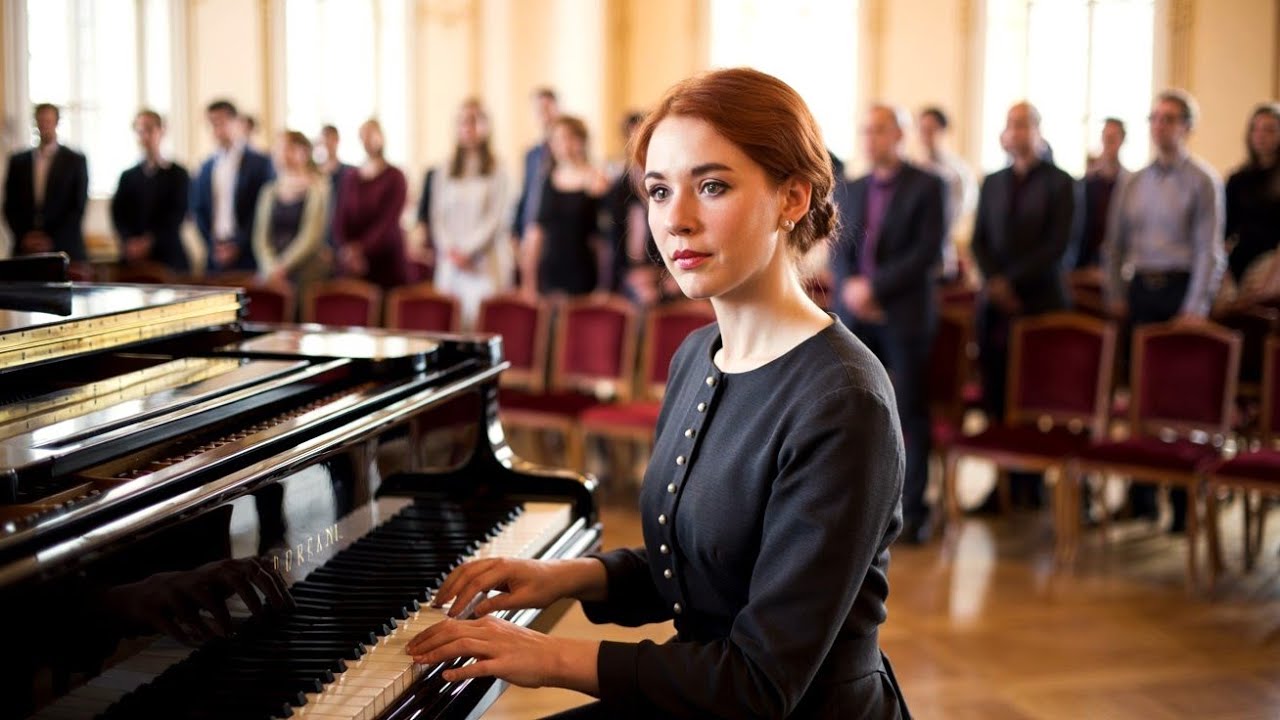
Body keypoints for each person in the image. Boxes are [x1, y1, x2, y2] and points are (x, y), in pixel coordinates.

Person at [405, 67, 909, 719]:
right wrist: (560, 576)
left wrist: (549, 656)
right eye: (659, 191)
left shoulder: (844, 401)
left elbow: (759, 682)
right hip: (699, 687)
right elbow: (704, 561)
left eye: (713, 186)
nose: (677, 221)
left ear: (792, 199)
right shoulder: (697, 356)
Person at [1103, 89, 1225, 532]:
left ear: (1187, 127)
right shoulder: (1132, 182)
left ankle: (1181, 504)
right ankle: (1140, 498)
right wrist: (1116, 293)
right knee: (1140, 395)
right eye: (1155, 118)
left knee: (1180, 401)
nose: (1161, 126)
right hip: (1141, 293)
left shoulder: (1203, 180)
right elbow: (1114, 246)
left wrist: (1196, 307)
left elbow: (1208, 249)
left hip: (1180, 291)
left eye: (1170, 119)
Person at [834, 104, 946, 545]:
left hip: (904, 315)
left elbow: (926, 253)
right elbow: (839, 248)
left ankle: (914, 510)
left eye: (880, 130)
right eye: (865, 131)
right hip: (857, 315)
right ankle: (859, 508)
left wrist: (875, 289)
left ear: (899, 135)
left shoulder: (928, 186)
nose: (871, 139)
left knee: (910, 412)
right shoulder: (852, 187)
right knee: (855, 413)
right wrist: (851, 290)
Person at [971, 101, 1078, 509]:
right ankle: (1001, 487)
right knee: (996, 393)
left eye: (1022, 125)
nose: (1015, 132)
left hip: (1040, 303)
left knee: (1035, 395)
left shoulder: (1061, 183)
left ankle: (1032, 485)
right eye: (1009, 125)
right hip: (997, 307)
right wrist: (995, 283)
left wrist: (1011, 281)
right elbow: (979, 239)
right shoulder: (994, 182)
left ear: (1037, 131)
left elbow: (1058, 247)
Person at [427, 99, 512, 328]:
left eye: (474, 121)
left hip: (483, 264)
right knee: (450, 328)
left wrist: (468, 251)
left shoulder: (497, 169)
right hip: (451, 263)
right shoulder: (444, 169)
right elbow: (437, 217)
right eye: (463, 121)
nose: (468, 127)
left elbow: (496, 217)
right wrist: (451, 250)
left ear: (486, 126)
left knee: (479, 327)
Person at [520, 115, 609, 297]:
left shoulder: (597, 180)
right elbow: (535, 233)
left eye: (567, 138)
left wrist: (604, 285)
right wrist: (528, 283)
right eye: (556, 139)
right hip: (551, 273)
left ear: (581, 141)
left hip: (583, 273)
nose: (562, 145)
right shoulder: (547, 180)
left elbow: (603, 241)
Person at [190, 99, 275, 273]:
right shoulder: (206, 166)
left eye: (221, 122)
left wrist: (238, 244)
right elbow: (198, 209)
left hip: (248, 253)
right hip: (214, 253)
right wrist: (212, 244)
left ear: (237, 122)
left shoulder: (260, 163)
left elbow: (261, 209)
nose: (217, 129)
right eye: (212, 124)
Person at [3, 103, 89, 263]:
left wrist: (51, 240)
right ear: (35, 123)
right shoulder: (18, 161)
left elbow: (77, 207)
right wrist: (25, 237)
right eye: (41, 121)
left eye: (49, 121)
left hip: (65, 248)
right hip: (25, 249)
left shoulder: (75, 161)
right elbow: (10, 205)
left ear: (56, 122)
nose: (45, 125)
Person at [251, 131, 331, 302]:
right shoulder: (269, 191)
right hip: (270, 272)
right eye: (277, 148)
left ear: (301, 151)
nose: (280, 153)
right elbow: (260, 237)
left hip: (305, 273)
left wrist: (283, 267)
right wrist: (270, 267)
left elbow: (311, 236)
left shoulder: (318, 188)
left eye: (285, 147)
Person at [110, 109, 191, 274]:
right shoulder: (127, 176)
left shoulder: (178, 173)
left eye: (149, 129)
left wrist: (149, 242)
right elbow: (118, 213)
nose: (145, 136)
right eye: (140, 131)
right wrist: (129, 241)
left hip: (169, 256)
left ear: (161, 131)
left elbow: (177, 214)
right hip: (133, 257)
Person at [333, 118, 410, 288]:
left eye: (372, 134)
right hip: (352, 263)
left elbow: (388, 221)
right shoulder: (351, 176)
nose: (368, 140)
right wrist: (347, 250)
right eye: (363, 136)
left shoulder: (395, 176)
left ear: (381, 137)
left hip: (385, 260)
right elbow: (340, 216)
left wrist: (362, 250)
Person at [1223, 103, 1280, 301]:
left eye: (1269, 130)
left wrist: (1272, 278)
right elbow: (1224, 231)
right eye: (1255, 129)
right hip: (1240, 259)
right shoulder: (1238, 179)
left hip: (1272, 261)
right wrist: (1223, 272)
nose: (1261, 135)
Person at [916, 106, 975, 280]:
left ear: (943, 131)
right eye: (921, 129)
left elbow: (954, 215)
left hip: (939, 255)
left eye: (930, 129)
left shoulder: (957, 172)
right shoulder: (913, 167)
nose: (925, 135)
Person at [1074, 118, 1129, 270]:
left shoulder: (1130, 184)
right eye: (1106, 136)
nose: (1108, 142)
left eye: (1113, 137)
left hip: (1119, 262)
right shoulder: (1086, 183)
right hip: (1086, 262)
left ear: (1122, 140)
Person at [512, 88, 561, 242]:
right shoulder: (531, 155)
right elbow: (526, 193)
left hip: (554, 234)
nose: (544, 114)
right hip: (529, 232)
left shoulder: (567, 152)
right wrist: (515, 231)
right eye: (539, 109)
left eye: (548, 108)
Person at [318, 124, 355, 251]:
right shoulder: (315, 173)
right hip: (320, 234)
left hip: (342, 233)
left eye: (331, 139)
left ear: (337, 141)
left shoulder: (350, 173)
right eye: (324, 140)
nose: (327, 144)